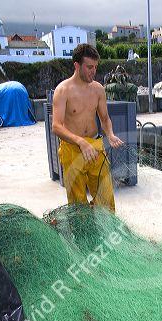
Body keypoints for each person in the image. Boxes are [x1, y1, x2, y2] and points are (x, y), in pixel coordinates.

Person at [52, 43, 123, 212]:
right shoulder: (63, 90)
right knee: (78, 204)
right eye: (89, 67)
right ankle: (83, 236)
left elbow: (104, 118)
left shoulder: (98, 90)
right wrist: (80, 142)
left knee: (105, 198)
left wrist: (110, 134)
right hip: (72, 149)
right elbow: (56, 126)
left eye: (96, 67)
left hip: (95, 146)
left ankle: (106, 232)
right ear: (77, 66)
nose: (94, 71)